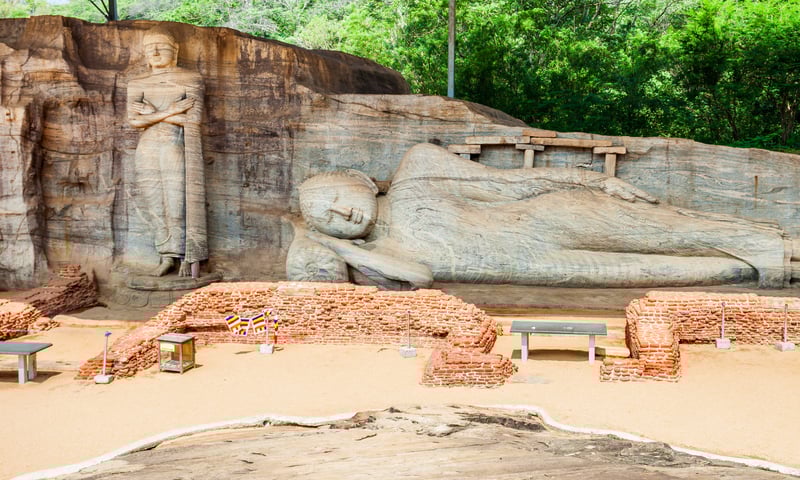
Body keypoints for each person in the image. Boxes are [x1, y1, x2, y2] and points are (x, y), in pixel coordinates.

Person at [288, 143, 798, 289]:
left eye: (336, 195)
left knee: (677, 232)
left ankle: (781, 246)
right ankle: (774, 267)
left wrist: (594, 181)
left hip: (554, 217)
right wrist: (335, 245)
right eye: (326, 217)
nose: (342, 211)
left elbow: (514, 183)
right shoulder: (385, 255)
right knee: (676, 271)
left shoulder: (416, 173)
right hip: (543, 264)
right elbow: (419, 278)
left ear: (358, 180)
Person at [127, 28, 207, 278]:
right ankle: (166, 255)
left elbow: (193, 120)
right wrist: (171, 111)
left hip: (175, 145)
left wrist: (151, 114)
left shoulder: (190, 79)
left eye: (161, 46)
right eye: (149, 48)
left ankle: (184, 255)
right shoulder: (137, 83)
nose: (155, 52)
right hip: (147, 149)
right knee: (154, 204)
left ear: (176, 50)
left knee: (177, 201)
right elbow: (134, 121)